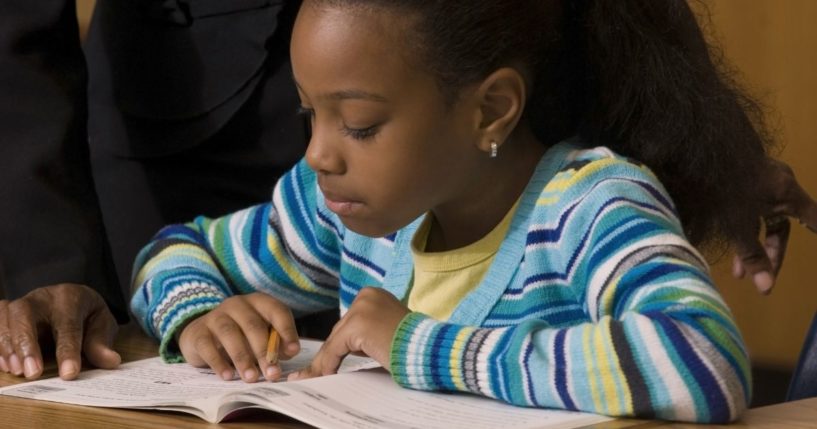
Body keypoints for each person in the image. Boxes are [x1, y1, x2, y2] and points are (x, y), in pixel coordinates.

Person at [1, 0, 814, 385]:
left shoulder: (590, 208)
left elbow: (700, 358)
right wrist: (197, 314)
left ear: (490, 108)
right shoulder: (346, 218)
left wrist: (419, 346)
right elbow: (172, 250)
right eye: (307, 115)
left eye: (356, 123)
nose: (315, 155)